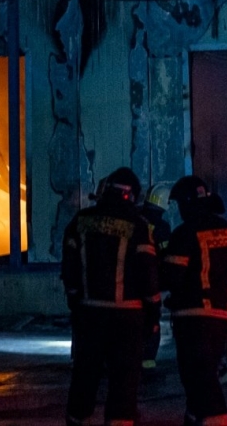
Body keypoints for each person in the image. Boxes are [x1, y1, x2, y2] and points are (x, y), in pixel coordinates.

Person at [61, 166, 159, 426]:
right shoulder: (138, 226)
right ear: (132, 196)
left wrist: (75, 301)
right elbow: (148, 275)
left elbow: (69, 269)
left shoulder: (81, 221)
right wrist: (153, 313)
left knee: (84, 379)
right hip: (127, 319)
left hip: (89, 314)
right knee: (123, 385)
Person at [163, 175, 227, 426]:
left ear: (187, 203)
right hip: (220, 314)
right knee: (205, 377)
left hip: (193, 318)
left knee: (200, 379)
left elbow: (171, 278)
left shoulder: (184, 233)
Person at [140, 182, 174, 371]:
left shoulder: (136, 218)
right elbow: (166, 256)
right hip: (151, 284)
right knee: (151, 323)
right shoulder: (161, 226)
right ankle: (147, 365)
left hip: (126, 284)